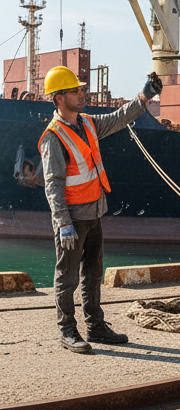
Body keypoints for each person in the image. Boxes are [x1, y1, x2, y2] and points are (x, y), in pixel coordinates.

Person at [39, 65, 163, 354]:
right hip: (72, 220)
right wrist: (63, 223)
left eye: (81, 89)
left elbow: (119, 118)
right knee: (66, 278)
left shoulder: (88, 124)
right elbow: (53, 185)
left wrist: (144, 97)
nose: (82, 94)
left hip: (94, 214)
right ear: (59, 98)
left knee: (94, 273)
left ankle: (95, 327)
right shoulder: (53, 137)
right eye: (76, 91)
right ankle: (67, 330)